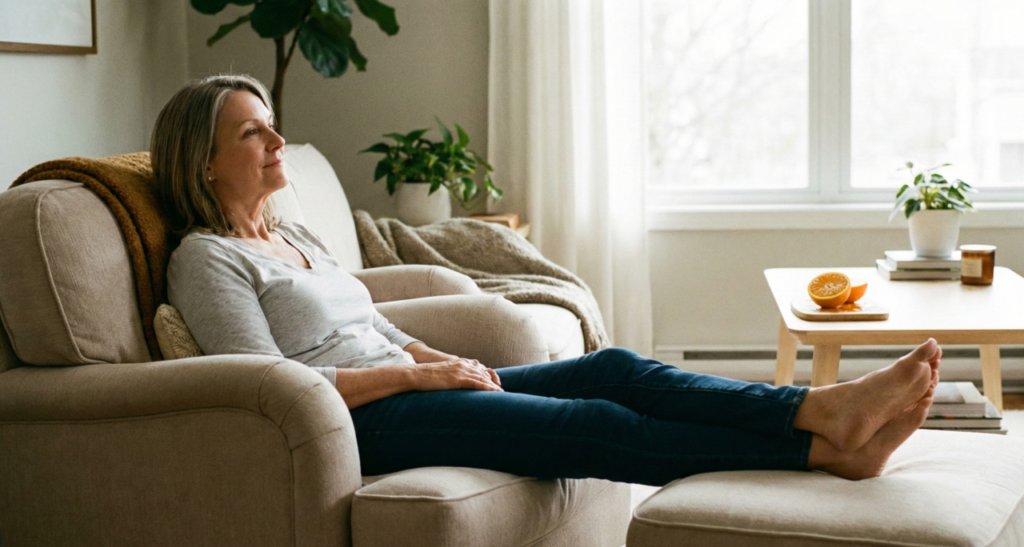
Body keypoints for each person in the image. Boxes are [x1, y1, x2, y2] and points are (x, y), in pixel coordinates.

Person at [154, 75, 942, 486]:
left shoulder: (292, 234)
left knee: (614, 368)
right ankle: (821, 452)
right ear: (204, 159)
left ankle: (813, 409)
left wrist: (437, 361)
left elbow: (377, 327)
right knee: (595, 422)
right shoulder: (206, 258)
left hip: (409, 387)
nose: (277, 139)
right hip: (365, 425)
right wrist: (415, 379)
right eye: (252, 131)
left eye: (271, 123)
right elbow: (269, 385)